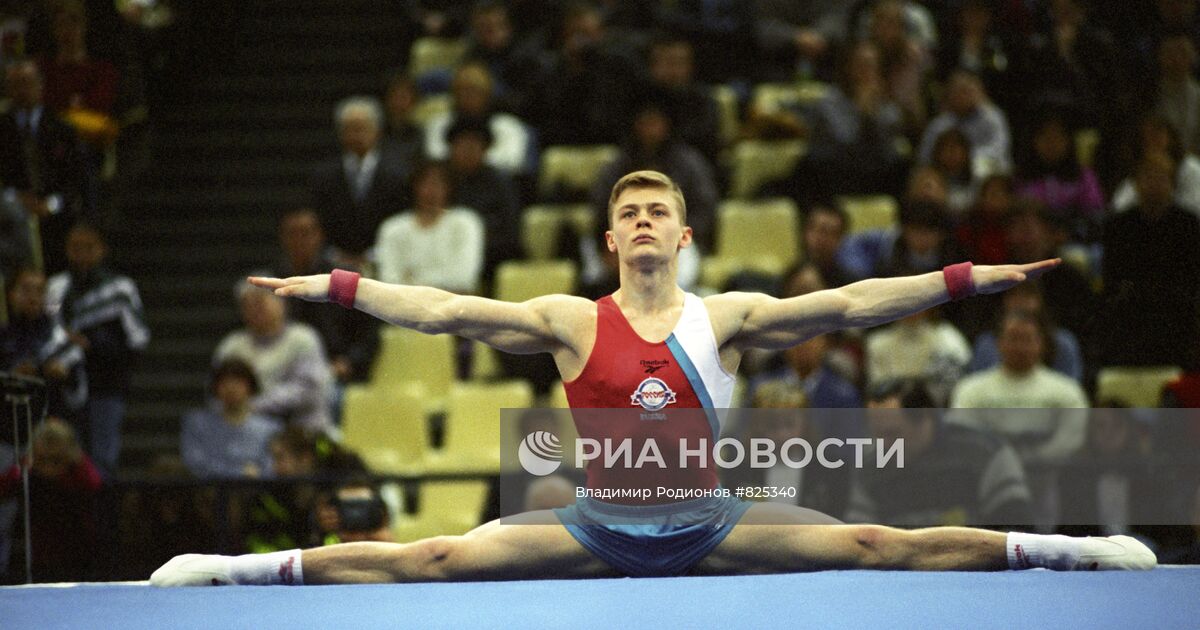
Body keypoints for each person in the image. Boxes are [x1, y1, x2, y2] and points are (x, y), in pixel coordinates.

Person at [152, 170, 1154, 587]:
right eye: (626, 210)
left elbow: (854, 306)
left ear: (682, 233)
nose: (640, 221)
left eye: (657, 209)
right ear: (609, 236)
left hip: (714, 518)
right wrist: (332, 285)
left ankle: (1062, 553)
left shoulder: (728, 317)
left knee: (870, 541)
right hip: (594, 522)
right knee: (436, 560)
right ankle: (231, 572)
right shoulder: (564, 320)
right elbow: (442, 310)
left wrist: (965, 277)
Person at [45, 222, 149, 478]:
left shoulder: (119, 289)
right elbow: (46, 334)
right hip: (65, 385)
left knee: (102, 459)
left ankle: (103, 516)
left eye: (88, 247)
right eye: (75, 247)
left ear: (102, 250)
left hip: (105, 384)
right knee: (66, 458)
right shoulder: (57, 287)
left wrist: (94, 344)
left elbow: (138, 339)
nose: (81, 254)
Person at [309, 96, 408, 267]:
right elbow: (319, 217)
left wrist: (374, 255)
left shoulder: (398, 173)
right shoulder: (323, 175)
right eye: (350, 129)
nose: (356, 135)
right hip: (336, 260)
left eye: (362, 128)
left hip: (386, 260)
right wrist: (335, 254)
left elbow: (401, 219)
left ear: (377, 131)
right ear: (340, 133)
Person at [180, 359, 282, 480]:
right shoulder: (197, 423)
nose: (231, 388)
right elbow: (194, 462)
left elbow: (271, 465)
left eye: (238, 382)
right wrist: (239, 473)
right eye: (224, 382)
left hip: (255, 491)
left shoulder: (270, 428)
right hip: (209, 490)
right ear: (215, 387)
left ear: (251, 386)